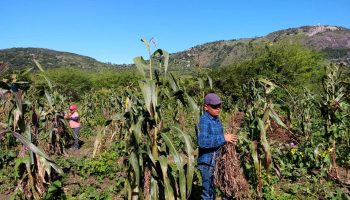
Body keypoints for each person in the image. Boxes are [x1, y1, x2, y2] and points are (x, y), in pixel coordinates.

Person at [197, 93, 237, 200]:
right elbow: (202, 142)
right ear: (206, 107)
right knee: (208, 194)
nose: (218, 108)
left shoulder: (217, 120)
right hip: (207, 163)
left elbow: (219, 140)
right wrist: (223, 138)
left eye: (219, 106)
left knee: (226, 189)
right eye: (214, 106)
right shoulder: (204, 120)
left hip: (218, 161)